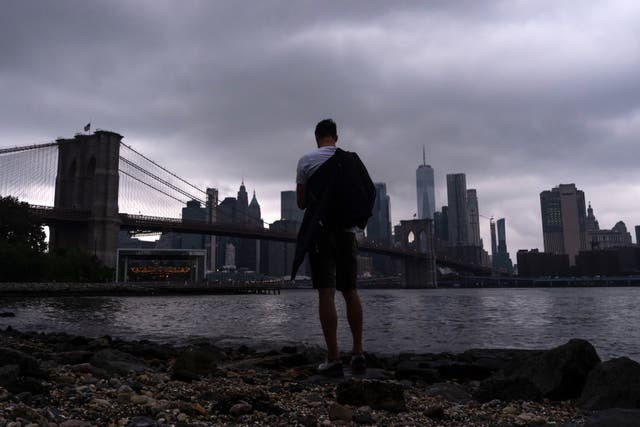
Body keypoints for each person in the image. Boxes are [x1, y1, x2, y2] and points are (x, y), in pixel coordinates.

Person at [292, 118, 375, 377]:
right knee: (350, 291)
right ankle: (358, 354)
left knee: (326, 293)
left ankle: (333, 358)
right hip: (347, 233)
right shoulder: (351, 159)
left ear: (317, 137)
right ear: (336, 137)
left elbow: (301, 203)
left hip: (321, 233)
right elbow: (370, 192)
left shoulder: (306, 161)